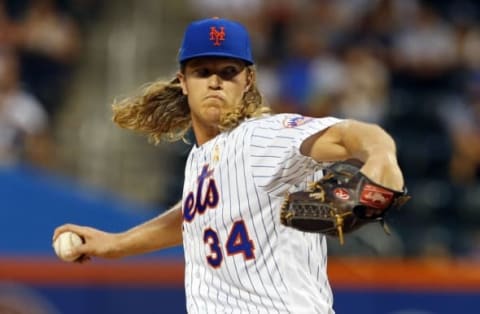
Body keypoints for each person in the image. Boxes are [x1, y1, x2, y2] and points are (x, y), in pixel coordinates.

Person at [53, 17, 405, 313]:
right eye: (203, 71)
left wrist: (381, 156)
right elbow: (193, 219)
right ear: (183, 81)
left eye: (228, 71)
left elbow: (354, 135)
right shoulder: (199, 160)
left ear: (247, 80)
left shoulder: (263, 137)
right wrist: (115, 244)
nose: (216, 81)